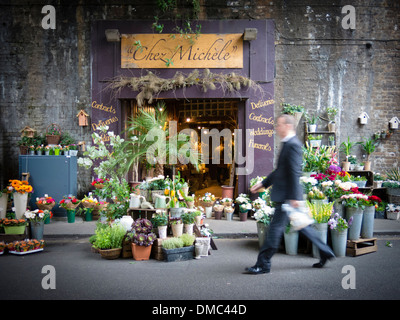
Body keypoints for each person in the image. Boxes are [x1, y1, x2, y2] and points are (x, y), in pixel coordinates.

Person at [245, 114, 335, 275]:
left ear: (287, 126)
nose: (276, 128)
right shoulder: (288, 144)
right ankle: (325, 251)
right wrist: (264, 183)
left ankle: (263, 264)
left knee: (275, 230)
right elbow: (280, 171)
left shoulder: (292, 145)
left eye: (278, 125)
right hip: (289, 196)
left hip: (288, 197)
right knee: (303, 226)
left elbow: (294, 172)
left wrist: (293, 197)